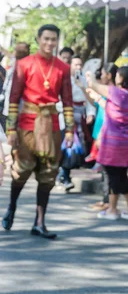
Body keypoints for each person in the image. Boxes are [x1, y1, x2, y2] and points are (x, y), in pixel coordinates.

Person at [2, 24, 74, 239]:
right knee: (21, 170)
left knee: (49, 174)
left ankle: (39, 222)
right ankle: (12, 206)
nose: (50, 43)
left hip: (51, 125)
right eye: (46, 39)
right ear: (38, 39)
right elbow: (13, 98)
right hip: (27, 124)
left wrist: (69, 131)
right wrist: (11, 129)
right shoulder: (24, 64)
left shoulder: (63, 68)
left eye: (53, 39)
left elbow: (68, 102)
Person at [87, 66, 128, 221]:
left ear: (121, 78)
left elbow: (93, 85)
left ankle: (113, 209)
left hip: (111, 142)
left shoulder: (115, 92)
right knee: (121, 175)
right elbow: (110, 106)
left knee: (113, 176)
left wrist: (90, 76)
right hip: (125, 141)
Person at [58, 55, 96, 191]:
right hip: (66, 116)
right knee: (67, 146)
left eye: (80, 64)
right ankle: (65, 176)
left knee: (79, 147)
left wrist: (91, 113)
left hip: (81, 116)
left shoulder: (84, 80)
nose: (78, 67)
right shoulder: (63, 78)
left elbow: (90, 98)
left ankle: (65, 174)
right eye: (75, 64)